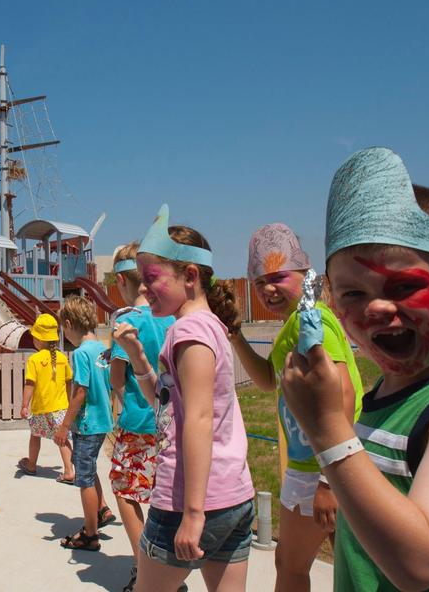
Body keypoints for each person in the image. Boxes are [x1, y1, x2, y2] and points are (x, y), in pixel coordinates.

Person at [281, 147, 429, 590]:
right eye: (353, 294)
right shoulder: (388, 389)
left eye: (403, 286)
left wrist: (326, 429)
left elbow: (420, 565)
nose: (377, 307)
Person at [114, 204, 255, 592]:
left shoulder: (188, 332)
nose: (143, 289)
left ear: (190, 276)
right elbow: (166, 405)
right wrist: (139, 357)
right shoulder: (210, 327)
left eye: (151, 278)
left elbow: (198, 419)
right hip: (234, 496)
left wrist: (193, 513)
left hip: (188, 502)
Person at [230, 223, 363, 591]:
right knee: (347, 569)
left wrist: (329, 480)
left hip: (321, 467)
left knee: (290, 564)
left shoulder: (311, 322)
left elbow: (344, 394)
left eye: (278, 277)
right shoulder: (296, 323)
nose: (268, 289)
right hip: (317, 465)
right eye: (259, 282)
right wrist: (236, 338)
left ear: (305, 274)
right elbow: (268, 380)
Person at [108, 242, 175, 592]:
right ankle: (170, 573)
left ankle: (144, 570)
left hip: (137, 423)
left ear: (122, 280)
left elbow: (117, 377)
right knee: (164, 498)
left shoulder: (127, 321)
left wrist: (121, 403)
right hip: (171, 424)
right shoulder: (170, 317)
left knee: (125, 491)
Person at [53, 295, 116, 551]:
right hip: (103, 421)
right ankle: (101, 510)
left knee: (84, 478)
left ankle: (90, 534)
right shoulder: (103, 349)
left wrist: (64, 425)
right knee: (88, 468)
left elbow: (80, 391)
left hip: (87, 424)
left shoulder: (80, 354)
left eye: (63, 329)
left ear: (69, 324)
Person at [16, 313, 76, 484]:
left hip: (41, 409)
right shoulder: (62, 358)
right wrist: (68, 402)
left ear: (39, 339)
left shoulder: (34, 359)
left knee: (35, 435)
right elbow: (69, 381)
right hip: (60, 408)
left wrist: (24, 405)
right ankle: (69, 470)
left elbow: (30, 384)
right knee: (62, 439)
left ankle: (32, 465)